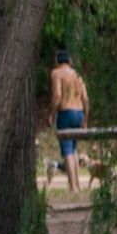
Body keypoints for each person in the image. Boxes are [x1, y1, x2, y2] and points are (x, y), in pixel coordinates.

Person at [49, 50, 88, 192]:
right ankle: (78, 184)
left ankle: (73, 187)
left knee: (67, 151)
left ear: (57, 61)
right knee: (73, 149)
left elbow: (58, 95)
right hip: (79, 113)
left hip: (66, 112)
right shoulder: (77, 75)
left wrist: (51, 114)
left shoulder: (56, 73)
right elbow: (85, 98)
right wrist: (85, 119)